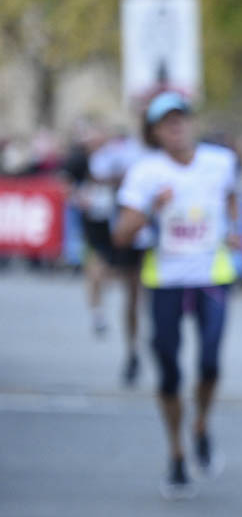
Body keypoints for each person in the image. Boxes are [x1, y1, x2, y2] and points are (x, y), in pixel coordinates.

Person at [112, 93, 242, 499]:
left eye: (181, 118)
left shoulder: (220, 162)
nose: (176, 126)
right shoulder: (145, 172)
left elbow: (231, 197)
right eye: (166, 122)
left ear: (192, 122)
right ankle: (176, 453)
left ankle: (200, 424)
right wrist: (152, 207)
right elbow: (121, 235)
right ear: (153, 132)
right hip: (165, 279)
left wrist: (232, 228)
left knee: (209, 364)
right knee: (169, 372)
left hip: (212, 276)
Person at [82, 124, 148, 384]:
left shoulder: (152, 153)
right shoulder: (104, 156)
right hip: (114, 225)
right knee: (106, 273)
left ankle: (139, 347)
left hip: (146, 231)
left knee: (136, 293)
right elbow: (97, 179)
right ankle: (127, 344)